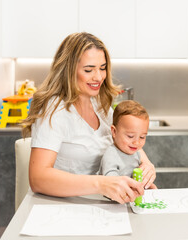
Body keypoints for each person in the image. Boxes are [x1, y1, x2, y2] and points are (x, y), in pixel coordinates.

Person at [21, 32, 156, 204]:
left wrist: (146, 164)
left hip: (98, 205)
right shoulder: (53, 109)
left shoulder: (100, 105)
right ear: (68, 71)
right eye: (88, 70)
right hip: (63, 207)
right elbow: (38, 178)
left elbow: (122, 136)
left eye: (102, 68)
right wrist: (101, 184)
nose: (98, 77)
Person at [100, 100, 157, 189]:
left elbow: (136, 179)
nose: (136, 142)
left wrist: (147, 186)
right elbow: (111, 183)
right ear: (114, 132)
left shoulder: (136, 153)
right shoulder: (111, 155)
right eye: (130, 136)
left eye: (142, 137)